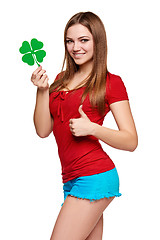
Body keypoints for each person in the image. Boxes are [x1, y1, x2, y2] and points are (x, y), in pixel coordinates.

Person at [31, 11, 138, 240]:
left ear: (97, 41)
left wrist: (93, 129)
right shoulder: (60, 80)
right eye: (70, 41)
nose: (75, 47)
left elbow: (131, 141)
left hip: (94, 175)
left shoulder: (111, 83)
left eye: (83, 40)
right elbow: (42, 130)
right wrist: (42, 91)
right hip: (70, 178)